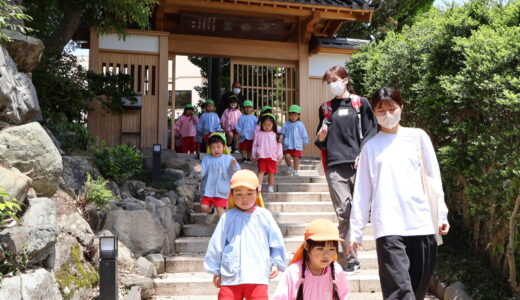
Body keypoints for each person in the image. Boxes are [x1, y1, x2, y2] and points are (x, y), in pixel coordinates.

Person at [348, 87, 450, 300]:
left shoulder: (418, 137)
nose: (387, 114)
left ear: (401, 107)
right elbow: (362, 192)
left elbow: (433, 178)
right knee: (400, 293)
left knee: (417, 290)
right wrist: (355, 231)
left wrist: (441, 214)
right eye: (381, 110)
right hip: (388, 226)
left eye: (392, 108)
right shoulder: (370, 148)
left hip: (421, 223)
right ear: (374, 114)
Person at [315, 65, 378, 272]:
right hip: (335, 166)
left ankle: (367, 243)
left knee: (361, 210)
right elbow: (321, 142)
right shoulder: (325, 108)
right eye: (329, 82)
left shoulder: (360, 104)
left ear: (345, 80)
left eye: (335, 80)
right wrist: (321, 137)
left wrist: (363, 153)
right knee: (344, 212)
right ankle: (351, 257)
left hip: (359, 164)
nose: (332, 85)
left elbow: (371, 131)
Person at [204, 169, 287, 300]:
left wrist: (276, 262)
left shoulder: (264, 216)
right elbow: (216, 244)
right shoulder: (227, 217)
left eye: (249, 193)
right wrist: (216, 271)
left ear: (257, 192)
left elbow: (275, 240)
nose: (244, 198)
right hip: (231, 274)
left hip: (257, 275)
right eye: (239, 194)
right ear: (231, 194)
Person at [273, 219, 349, 300]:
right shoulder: (293, 272)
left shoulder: (337, 271)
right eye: (320, 248)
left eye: (331, 249)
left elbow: (343, 296)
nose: (326, 255)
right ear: (306, 246)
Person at [194, 132, 240, 223]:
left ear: (224, 146)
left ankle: (223, 229)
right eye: (212, 147)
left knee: (221, 211)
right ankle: (211, 213)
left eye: (218, 147)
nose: (216, 149)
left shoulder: (229, 159)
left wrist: (233, 166)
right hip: (207, 189)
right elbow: (202, 172)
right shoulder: (206, 159)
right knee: (204, 207)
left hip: (222, 190)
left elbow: (234, 173)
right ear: (209, 148)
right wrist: (199, 170)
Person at [252, 113, 283, 193]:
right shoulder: (258, 135)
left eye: (269, 125)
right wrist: (254, 155)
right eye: (265, 124)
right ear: (261, 124)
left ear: (273, 125)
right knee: (261, 172)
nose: (267, 126)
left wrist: (279, 156)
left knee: (271, 173)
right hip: (261, 156)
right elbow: (255, 145)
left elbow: (279, 146)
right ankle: (258, 187)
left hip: (272, 157)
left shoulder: (275, 135)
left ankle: (270, 187)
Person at [279, 104, 309, 176]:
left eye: (295, 115)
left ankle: (296, 170)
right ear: (289, 115)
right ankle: (290, 166)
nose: (293, 117)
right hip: (288, 144)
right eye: (291, 115)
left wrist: (305, 142)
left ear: (298, 116)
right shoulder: (286, 124)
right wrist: (280, 137)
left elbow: (304, 134)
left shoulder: (300, 124)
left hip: (297, 144)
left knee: (296, 158)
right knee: (287, 156)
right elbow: (282, 132)